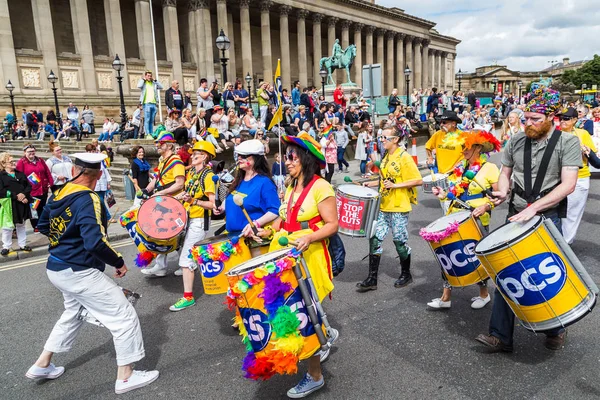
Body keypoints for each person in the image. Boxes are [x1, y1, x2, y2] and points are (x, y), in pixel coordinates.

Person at [28, 152, 159, 393]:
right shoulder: (89, 199)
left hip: (56, 267)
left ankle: (42, 363)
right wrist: (118, 262)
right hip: (79, 271)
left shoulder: (59, 191)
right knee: (124, 315)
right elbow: (94, 242)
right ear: (99, 174)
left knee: (74, 312)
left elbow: (44, 225)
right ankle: (126, 376)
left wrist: (65, 241)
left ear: (73, 171)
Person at [475, 84, 581, 352]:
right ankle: (500, 336)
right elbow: (505, 172)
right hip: (516, 213)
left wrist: (534, 208)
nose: (528, 123)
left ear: (551, 117)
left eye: (536, 119)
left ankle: (555, 328)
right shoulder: (516, 140)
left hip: (547, 216)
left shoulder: (568, 142)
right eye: (526, 118)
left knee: (545, 274)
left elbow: (568, 184)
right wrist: (501, 190)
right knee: (505, 272)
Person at [253, 132, 339, 398]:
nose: (286, 161)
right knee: (297, 311)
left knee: (305, 317)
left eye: (291, 156)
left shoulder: (321, 187)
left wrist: (310, 237)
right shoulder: (290, 186)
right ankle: (325, 335)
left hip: (308, 257)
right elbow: (282, 221)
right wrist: (265, 232)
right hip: (285, 255)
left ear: (305, 158)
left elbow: (333, 224)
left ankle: (315, 375)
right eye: (285, 156)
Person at [429, 130, 502, 310]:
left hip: (476, 219)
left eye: (466, 147)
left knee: (477, 258)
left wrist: (486, 206)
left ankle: (484, 294)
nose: (463, 150)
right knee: (446, 254)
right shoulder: (460, 167)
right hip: (454, 216)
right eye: (461, 146)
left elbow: (500, 196)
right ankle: (446, 298)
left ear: (478, 148)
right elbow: (455, 193)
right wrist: (442, 194)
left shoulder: (490, 168)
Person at [357, 126, 422, 291]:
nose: (381, 140)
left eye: (384, 138)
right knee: (375, 238)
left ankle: (406, 274)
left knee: (399, 241)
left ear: (395, 139)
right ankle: (372, 278)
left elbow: (418, 180)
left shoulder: (404, 156)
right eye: (380, 137)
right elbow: (383, 180)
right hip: (383, 206)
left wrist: (396, 185)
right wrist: (368, 184)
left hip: (399, 206)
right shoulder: (386, 156)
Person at [169, 141, 217, 311]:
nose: (192, 155)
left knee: (185, 260)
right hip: (189, 220)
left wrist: (194, 200)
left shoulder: (208, 176)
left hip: (199, 222)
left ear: (204, 156)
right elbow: (190, 195)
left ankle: (188, 297)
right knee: (189, 256)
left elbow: (213, 205)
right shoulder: (194, 174)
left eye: (196, 153)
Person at [213, 140, 279, 256]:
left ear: (255, 158)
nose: (239, 158)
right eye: (238, 156)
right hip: (233, 241)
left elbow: (275, 210)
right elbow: (231, 201)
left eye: (244, 156)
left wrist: (256, 224)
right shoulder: (238, 180)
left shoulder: (264, 182)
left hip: (253, 241)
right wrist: (221, 208)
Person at [140, 131, 186, 277]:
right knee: (159, 234)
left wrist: (161, 193)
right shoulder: (162, 161)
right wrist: (147, 190)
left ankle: (187, 263)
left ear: (169, 146)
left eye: (160, 143)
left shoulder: (176, 162)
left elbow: (179, 184)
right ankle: (161, 266)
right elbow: (157, 178)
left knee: (175, 235)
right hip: (161, 202)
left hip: (172, 204)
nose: (157, 146)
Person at [557, 107, 597, 244]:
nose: (562, 121)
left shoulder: (582, 134)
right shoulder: (554, 134)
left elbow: (596, 161)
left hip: (579, 178)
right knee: (553, 212)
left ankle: (565, 244)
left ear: (575, 120)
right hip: (556, 178)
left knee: (571, 214)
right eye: (560, 118)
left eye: (566, 119)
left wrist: (585, 149)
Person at [0, 153, 32, 255]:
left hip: (22, 203)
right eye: (11, 161)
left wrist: (23, 195)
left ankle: (22, 244)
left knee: (21, 224)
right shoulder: (1, 175)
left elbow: (28, 186)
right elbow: (1, 191)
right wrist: (16, 196)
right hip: (9, 204)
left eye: (14, 161)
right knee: (7, 227)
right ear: (4, 164)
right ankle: (6, 246)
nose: (14, 163)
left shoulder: (20, 174)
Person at [16, 144, 53, 231]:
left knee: (42, 207)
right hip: (32, 191)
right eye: (29, 152)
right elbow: (19, 177)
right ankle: (36, 226)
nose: (32, 153)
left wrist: (50, 182)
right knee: (34, 209)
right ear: (25, 152)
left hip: (43, 190)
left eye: (33, 151)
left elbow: (47, 172)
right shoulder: (22, 162)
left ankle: (42, 224)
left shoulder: (40, 160)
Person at [85, 144, 114, 223]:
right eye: (90, 151)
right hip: (94, 184)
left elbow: (105, 170)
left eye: (93, 151)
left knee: (102, 200)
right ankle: (108, 217)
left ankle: (99, 216)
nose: (92, 152)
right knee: (100, 201)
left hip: (103, 183)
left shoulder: (100, 160)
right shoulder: (86, 162)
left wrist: (108, 182)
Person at [138, 70, 164, 138]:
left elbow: (161, 87)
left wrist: (155, 81)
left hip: (154, 103)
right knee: (147, 119)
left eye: (150, 76)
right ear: (145, 76)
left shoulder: (153, 83)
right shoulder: (144, 83)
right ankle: (147, 133)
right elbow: (139, 85)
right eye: (148, 76)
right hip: (146, 103)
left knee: (152, 120)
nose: (149, 77)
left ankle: (151, 133)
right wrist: (143, 79)